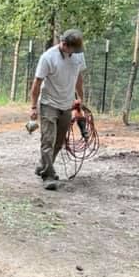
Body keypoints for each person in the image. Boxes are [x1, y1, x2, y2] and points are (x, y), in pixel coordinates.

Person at [29, 29, 86, 190]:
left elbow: (78, 77)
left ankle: (43, 165)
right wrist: (33, 107)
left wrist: (80, 98)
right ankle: (48, 176)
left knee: (59, 142)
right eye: (73, 49)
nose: (75, 53)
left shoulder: (78, 56)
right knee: (48, 140)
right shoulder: (48, 58)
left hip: (66, 104)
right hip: (49, 104)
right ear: (65, 45)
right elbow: (37, 83)